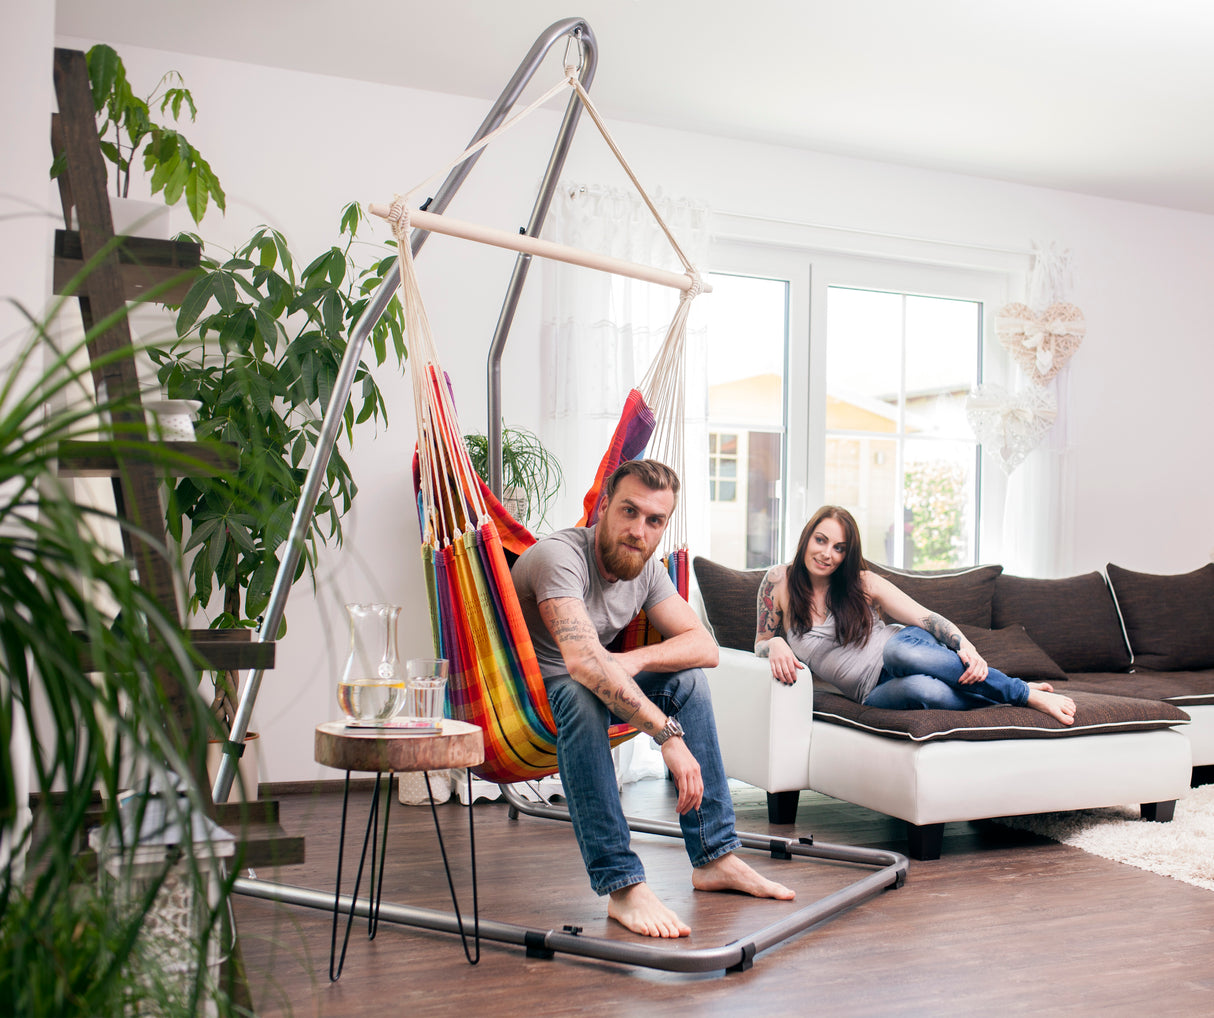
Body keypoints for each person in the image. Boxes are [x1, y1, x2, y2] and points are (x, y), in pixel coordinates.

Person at [512, 459, 795, 939]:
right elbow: (582, 662)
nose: (638, 530)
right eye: (629, 511)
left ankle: (716, 856)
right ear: (602, 507)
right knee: (583, 695)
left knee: (687, 679)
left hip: (601, 678)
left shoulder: (645, 568)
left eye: (654, 520)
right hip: (534, 695)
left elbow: (704, 647)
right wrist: (666, 734)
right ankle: (622, 885)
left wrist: (636, 661)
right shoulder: (558, 557)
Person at [755, 505, 1076, 725]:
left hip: (905, 648)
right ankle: (1007, 690)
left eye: (839, 547)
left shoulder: (862, 583)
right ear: (807, 537)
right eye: (821, 540)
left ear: (846, 554)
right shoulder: (778, 581)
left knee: (898, 652)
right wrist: (776, 644)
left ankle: (1023, 693)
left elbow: (925, 618)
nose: (827, 553)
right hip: (870, 691)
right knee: (924, 692)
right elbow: (761, 642)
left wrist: (968, 647)